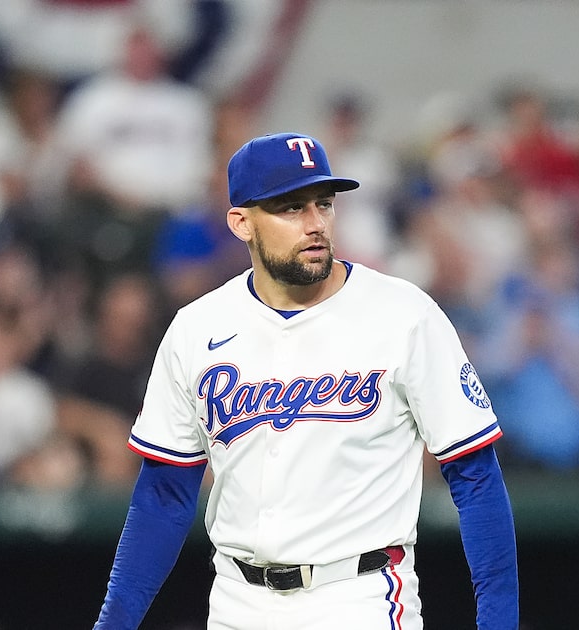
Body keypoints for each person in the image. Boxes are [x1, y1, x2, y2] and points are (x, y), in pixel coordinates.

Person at [93, 132, 519, 629]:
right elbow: (165, 493)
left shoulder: (404, 315)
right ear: (241, 222)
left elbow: (477, 479)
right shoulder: (197, 327)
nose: (315, 223)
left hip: (359, 597)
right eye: (291, 208)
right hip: (236, 602)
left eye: (324, 203)